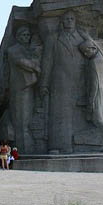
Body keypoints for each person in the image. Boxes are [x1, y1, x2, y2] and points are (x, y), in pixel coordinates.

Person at [40, 10, 90, 154]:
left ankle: (79, 145)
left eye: (71, 19)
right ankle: (58, 146)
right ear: (62, 21)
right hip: (59, 81)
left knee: (79, 114)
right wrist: (44, 83)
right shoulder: (53, 38)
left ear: (75, 21)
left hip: (79, 80)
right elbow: (47, 61)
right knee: (59, 114)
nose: (69, 21)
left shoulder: (81, 38)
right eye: (66, 19)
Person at [7, 25, 40, 153]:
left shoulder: (30, 49)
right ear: (17, 37)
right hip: (21, 87)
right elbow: (22, 62)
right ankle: (24, 149)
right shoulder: (13, 49)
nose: (26, 37)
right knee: (22, 119)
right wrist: (36, 67)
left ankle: (29, 146)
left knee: (29, 117)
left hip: (31, 85)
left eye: (27, 35)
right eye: (23, 35)